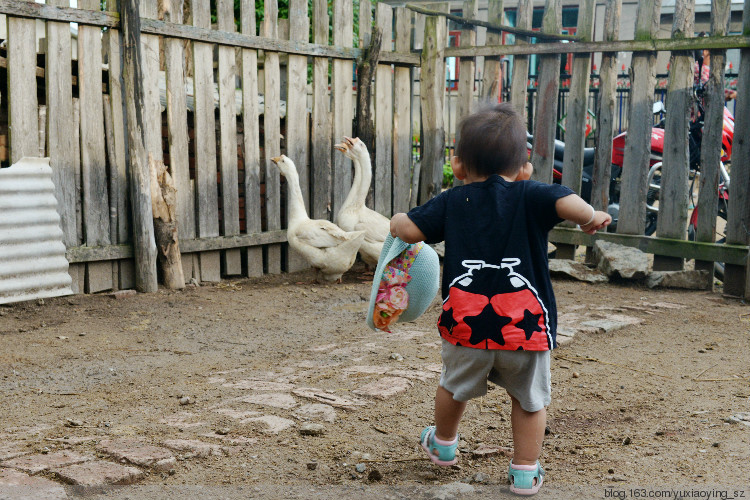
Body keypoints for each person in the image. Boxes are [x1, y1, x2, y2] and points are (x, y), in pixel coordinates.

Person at [389, 102, 611, 495]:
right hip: (523, 328)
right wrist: (590, 216)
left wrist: (394, 222)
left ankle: (442, 445)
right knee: (529, 401)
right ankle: (524, 471)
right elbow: (570, 202)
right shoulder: (532, 194)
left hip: (466, 327)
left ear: (458, 167)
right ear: (524, 169)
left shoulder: (453, 201)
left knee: (453, 386)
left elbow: (406, 229)